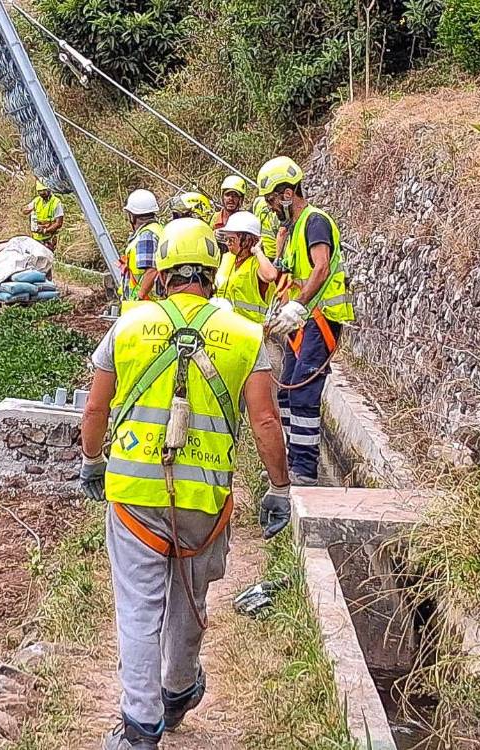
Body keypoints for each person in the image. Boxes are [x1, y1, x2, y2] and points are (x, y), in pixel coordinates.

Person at [79, 218, 293, 750]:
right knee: (189, 597)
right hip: (205, 499)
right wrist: (279, 488)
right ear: (212, 274)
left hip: (133, 496)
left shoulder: (128, 326)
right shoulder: (245, 336)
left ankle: (140, 728)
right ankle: (177, 692)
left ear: (165, 273)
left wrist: (90, 462)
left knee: (138, 607)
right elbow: (266, 422)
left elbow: (97, 406)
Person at [257, 156, 355, 486]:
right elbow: (290, 274)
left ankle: (304, 469)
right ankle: (289, 458)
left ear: (287, 193)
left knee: (303, 393)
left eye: (272, 200)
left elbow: (321, 267)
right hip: (303, 322)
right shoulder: (296, 228)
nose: (271, 208)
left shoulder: (315, 222)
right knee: (285, 393)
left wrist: (298, 305)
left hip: (321, 319)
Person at [213, 210, 280, 325]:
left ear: (247, 239)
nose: (228, 243)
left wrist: (257, 251)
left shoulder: (256, 263)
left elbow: (271, 275)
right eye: (226, 239)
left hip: (253, 331)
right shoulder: (226, 259)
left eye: (231, 239)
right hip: (225, 327)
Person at [119, 189, 165, 303]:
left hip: (146, 303)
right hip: (152, 302)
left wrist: (139, 297)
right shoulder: (158, 229)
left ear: (132, 216)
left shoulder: (147, 235)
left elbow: (152, 269)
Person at [24, 179, 64, 249]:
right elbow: (24, 210)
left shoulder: (56, 202)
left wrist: (45, 230)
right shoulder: (37, 200)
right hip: (36, 238)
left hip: (49, 239)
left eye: (44, 191)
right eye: (40, 191)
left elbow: (59, 223)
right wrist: (26, 209)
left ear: (49, 189)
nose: (42, 193)